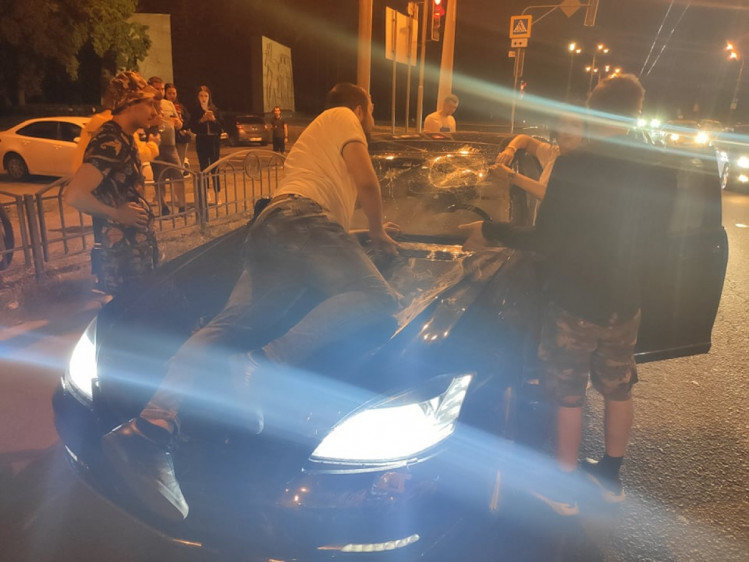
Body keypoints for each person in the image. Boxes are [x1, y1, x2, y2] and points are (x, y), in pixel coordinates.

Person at [101, 82, 402, 522]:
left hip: (276, 226)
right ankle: (262, 364)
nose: (371, 118)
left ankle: (150, 426)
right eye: (371, 109)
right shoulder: (343, 116)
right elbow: (365, 182)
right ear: (359, 106)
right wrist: (376, 232)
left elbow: (318, 223)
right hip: (299, 220)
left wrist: (358, 234)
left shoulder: (314, 142)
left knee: (226, 325)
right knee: (378, 296)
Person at [460, 74, 674, 515]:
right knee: (618, 388)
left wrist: (489, 230)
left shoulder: (577, 165)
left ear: (595, 110)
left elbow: (547, 239)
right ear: (635, 111)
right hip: (625, 299)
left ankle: (562, 490)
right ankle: (610, 478)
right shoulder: (659, 165)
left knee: (568, 394)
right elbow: (659, 240)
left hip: (576, 300)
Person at [65, 71, 160, 294]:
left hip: (135, 254)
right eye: (149, 104)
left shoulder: (124, 137)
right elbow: (74, 195)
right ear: (129, 103)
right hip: (123, 261)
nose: (154, 112)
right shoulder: (110, 140)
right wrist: (116, 213)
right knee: (131, 310)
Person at [148, 77, 186, 214]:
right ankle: (163, 206)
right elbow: (141, 125)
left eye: (162, 89)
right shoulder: (146, 104)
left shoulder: (168, 104)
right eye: (156, 88)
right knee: (159, 178)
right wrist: (153, 123)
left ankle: (182, 205)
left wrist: (178, 123)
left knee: (178, 174)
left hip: (171, 146)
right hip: (155, 147)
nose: (160, 91)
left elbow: (179, 123)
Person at [190, 85, 223, 197]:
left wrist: (213, 119)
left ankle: (217, 194)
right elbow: (193, 127)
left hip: (214, 141)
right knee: (203, 168)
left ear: (209, 97)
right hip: (202, 140)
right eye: (201, 96)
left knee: (215, 168)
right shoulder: (196, 111)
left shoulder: (215, 109)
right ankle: (206, 193)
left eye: (205, 96)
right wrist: (201, 120)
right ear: (197, 97)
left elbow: (221, 128)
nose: (203, 98)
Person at [165, 83, 192, 171]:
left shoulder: (180, 106)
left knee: (179, 162)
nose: (172, 96)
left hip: (180, 138)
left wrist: (182, 127)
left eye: (174, 93)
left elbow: (188, 120)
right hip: (168, 138)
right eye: (169, 93)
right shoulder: (163, 106)